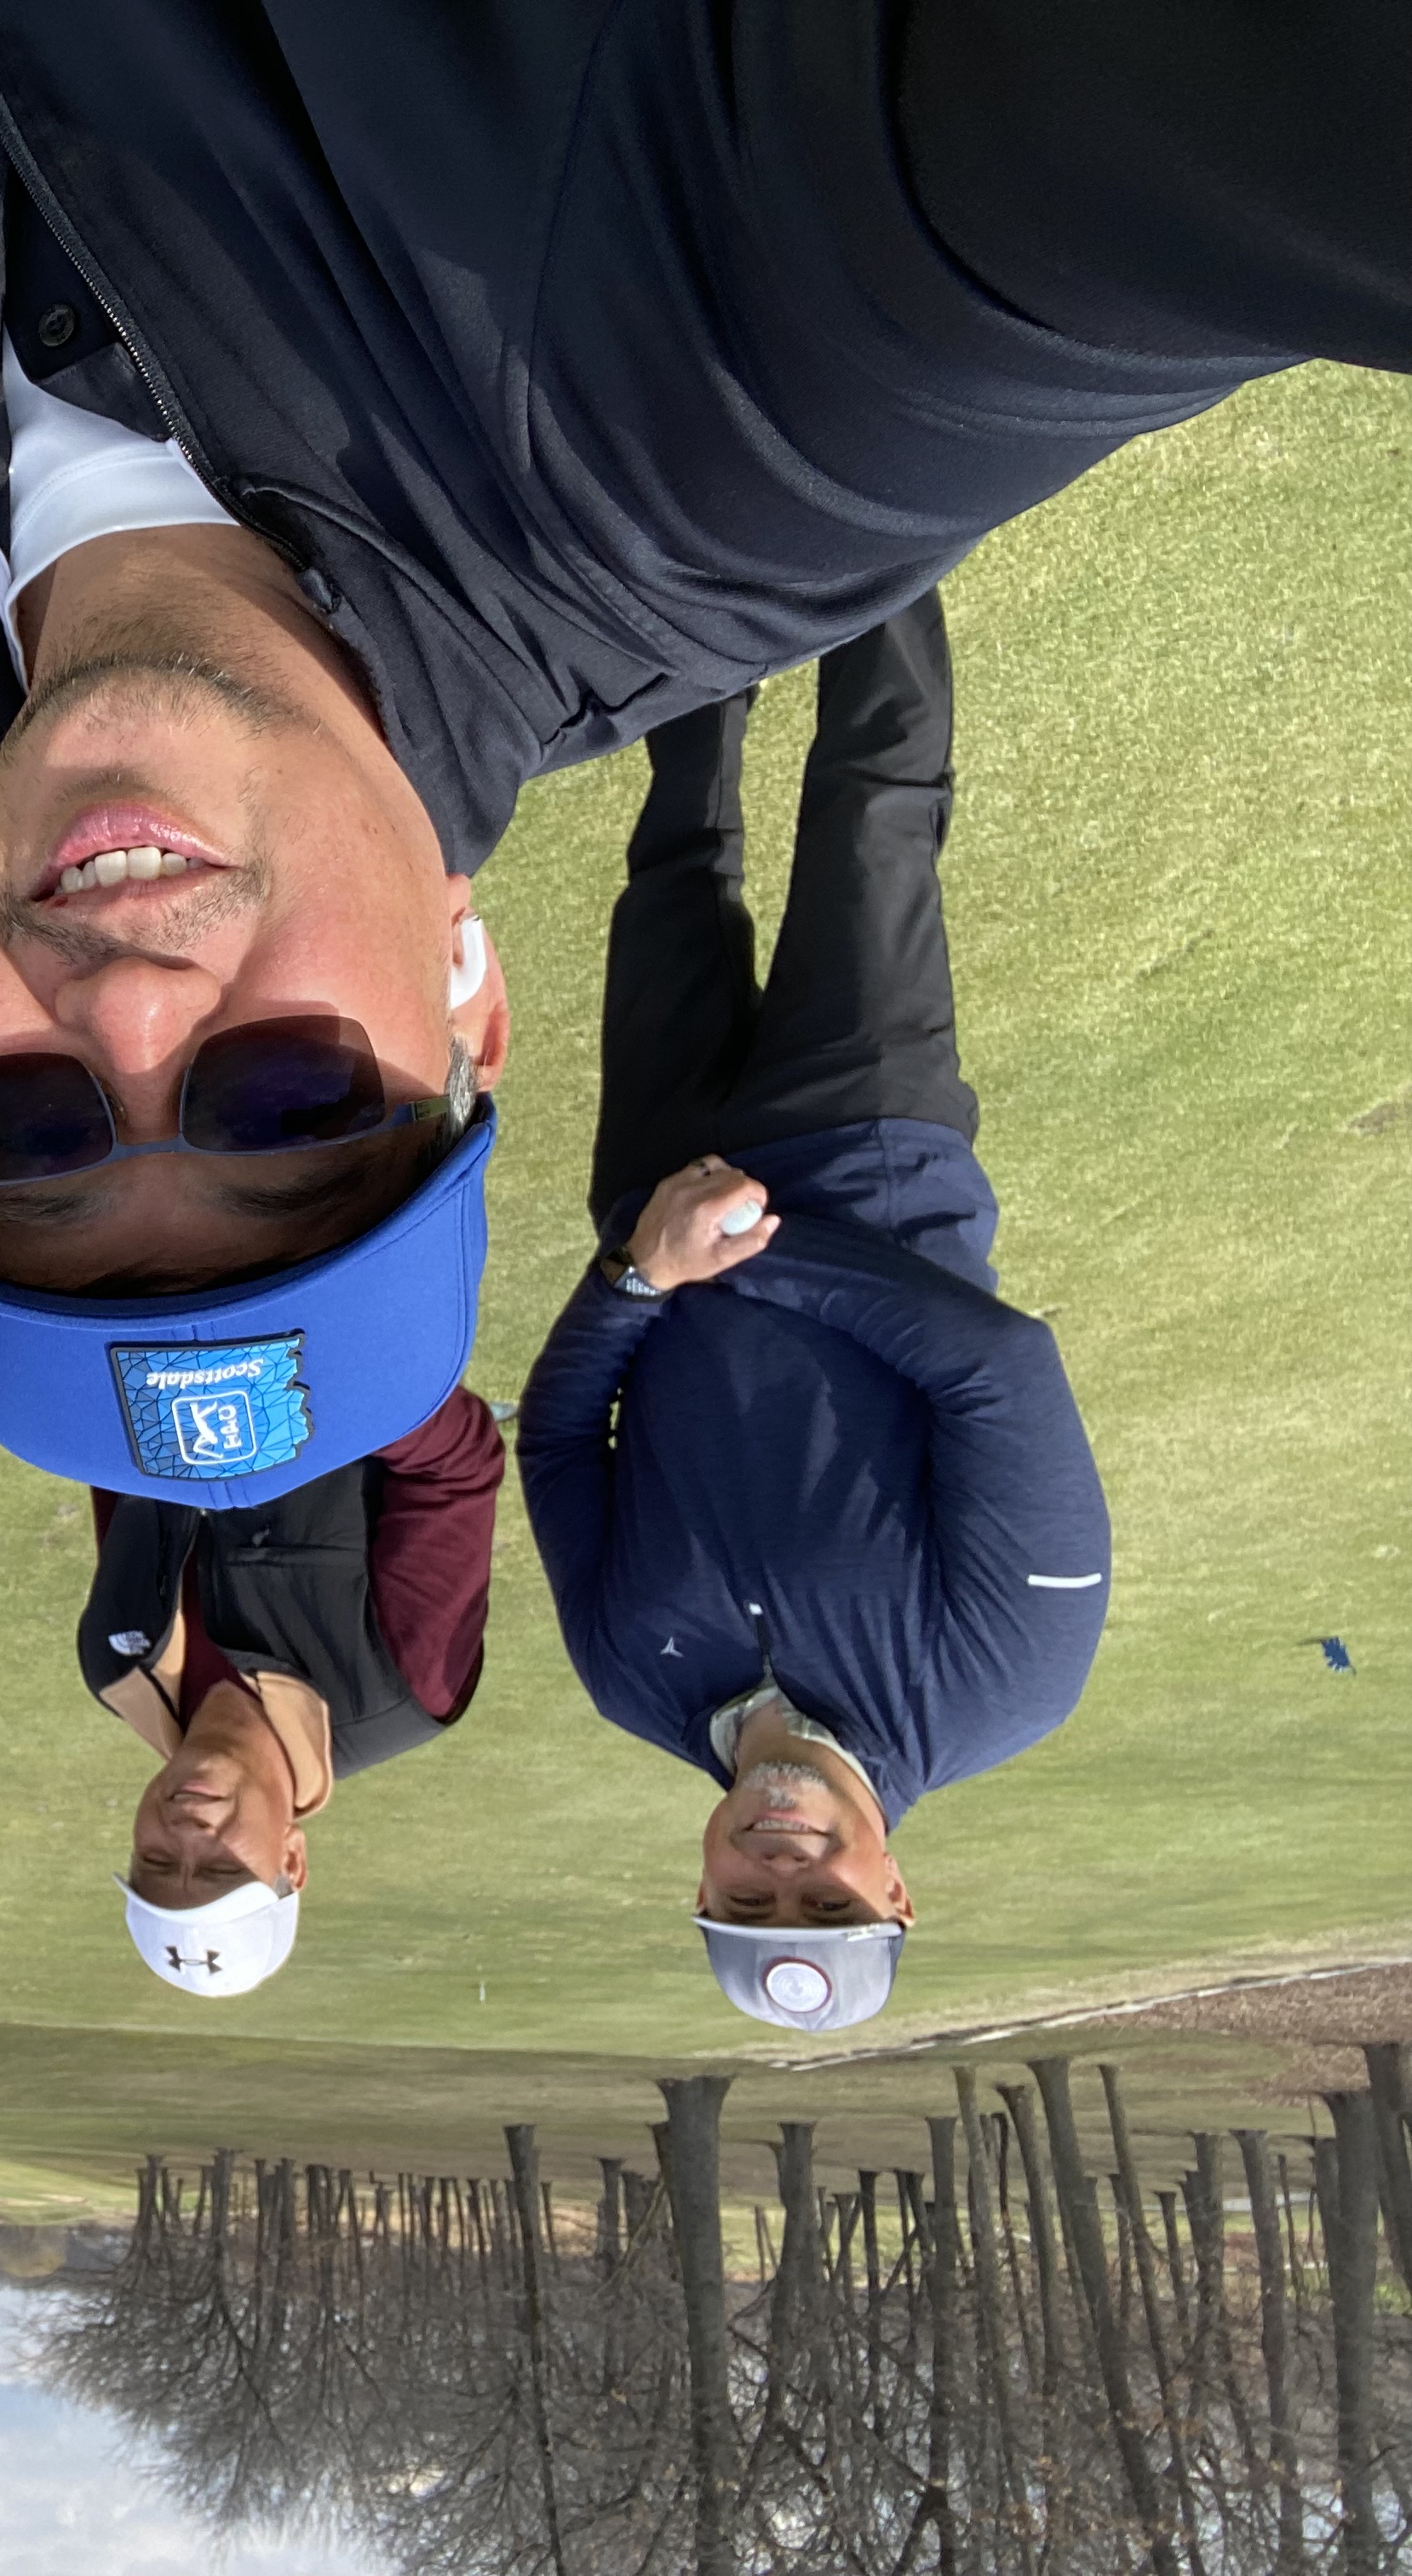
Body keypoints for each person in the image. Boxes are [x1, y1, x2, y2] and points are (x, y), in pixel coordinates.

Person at [0, 0, 1412, 1505]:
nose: (137, 1014)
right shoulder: (723, 451)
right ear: (470, 999)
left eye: (22, 1133)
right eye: (290, 1106)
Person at [516, 595, 1111, 2035]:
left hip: (655, 1190)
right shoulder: (1005, 1681)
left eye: (751, 1901)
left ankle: (682, 557)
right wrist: (743, 1253)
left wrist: (646, 1271)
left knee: (676, 856)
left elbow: (551, 1442)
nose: (785, 1870)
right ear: (897, 1889)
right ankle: (876, 485)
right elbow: (992, 1370)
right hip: (869, 1145)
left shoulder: (628, 1683)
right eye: (829, 1902)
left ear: (701, 1887)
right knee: (872, 799)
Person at [83, 1389, 499, 1998]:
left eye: (156, 1861)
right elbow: (458, 1462)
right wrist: (299, 1384)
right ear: (293, 1861)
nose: (187, 1832)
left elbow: (114, 1457)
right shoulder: (406, 1688)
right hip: (325, 1321)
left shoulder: (117, 1668)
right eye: (223, 1867)